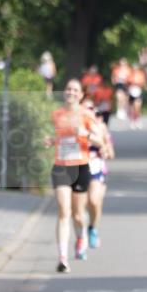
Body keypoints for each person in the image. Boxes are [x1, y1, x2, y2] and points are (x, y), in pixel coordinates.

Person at [45, 79, 105, 273]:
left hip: (80, 167)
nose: (70, 92)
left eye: (75, 90)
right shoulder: (57, 114)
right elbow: (61, 137)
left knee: (78, 215)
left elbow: (100, 141)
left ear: (80, 95)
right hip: (61, 166)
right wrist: (51, 140)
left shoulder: (86, 115)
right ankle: (62, 257)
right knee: (64, 211)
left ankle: (81, 237)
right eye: (68, 89)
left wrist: (85, 134)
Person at [82, 99, 115, 249]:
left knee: (94, 201)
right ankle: (81, 233)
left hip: (96, 168)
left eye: (92, 111)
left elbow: (110, 153)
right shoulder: (75, 127)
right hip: (78, 168)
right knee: (84, 204)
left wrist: (105, 149)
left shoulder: (101, 128)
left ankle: (93, 228)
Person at [127, 63, 146, 129]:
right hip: (131, 92)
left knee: (138, 107)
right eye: (134, 68)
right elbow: (127, 83)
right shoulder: (130, 75)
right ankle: (132, 121)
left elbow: (142, 83)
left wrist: (137, 83)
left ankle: (138, 120)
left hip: (138, 92)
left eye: (136, 68)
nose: (135, 69)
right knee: (132, 108)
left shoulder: (141, 74)